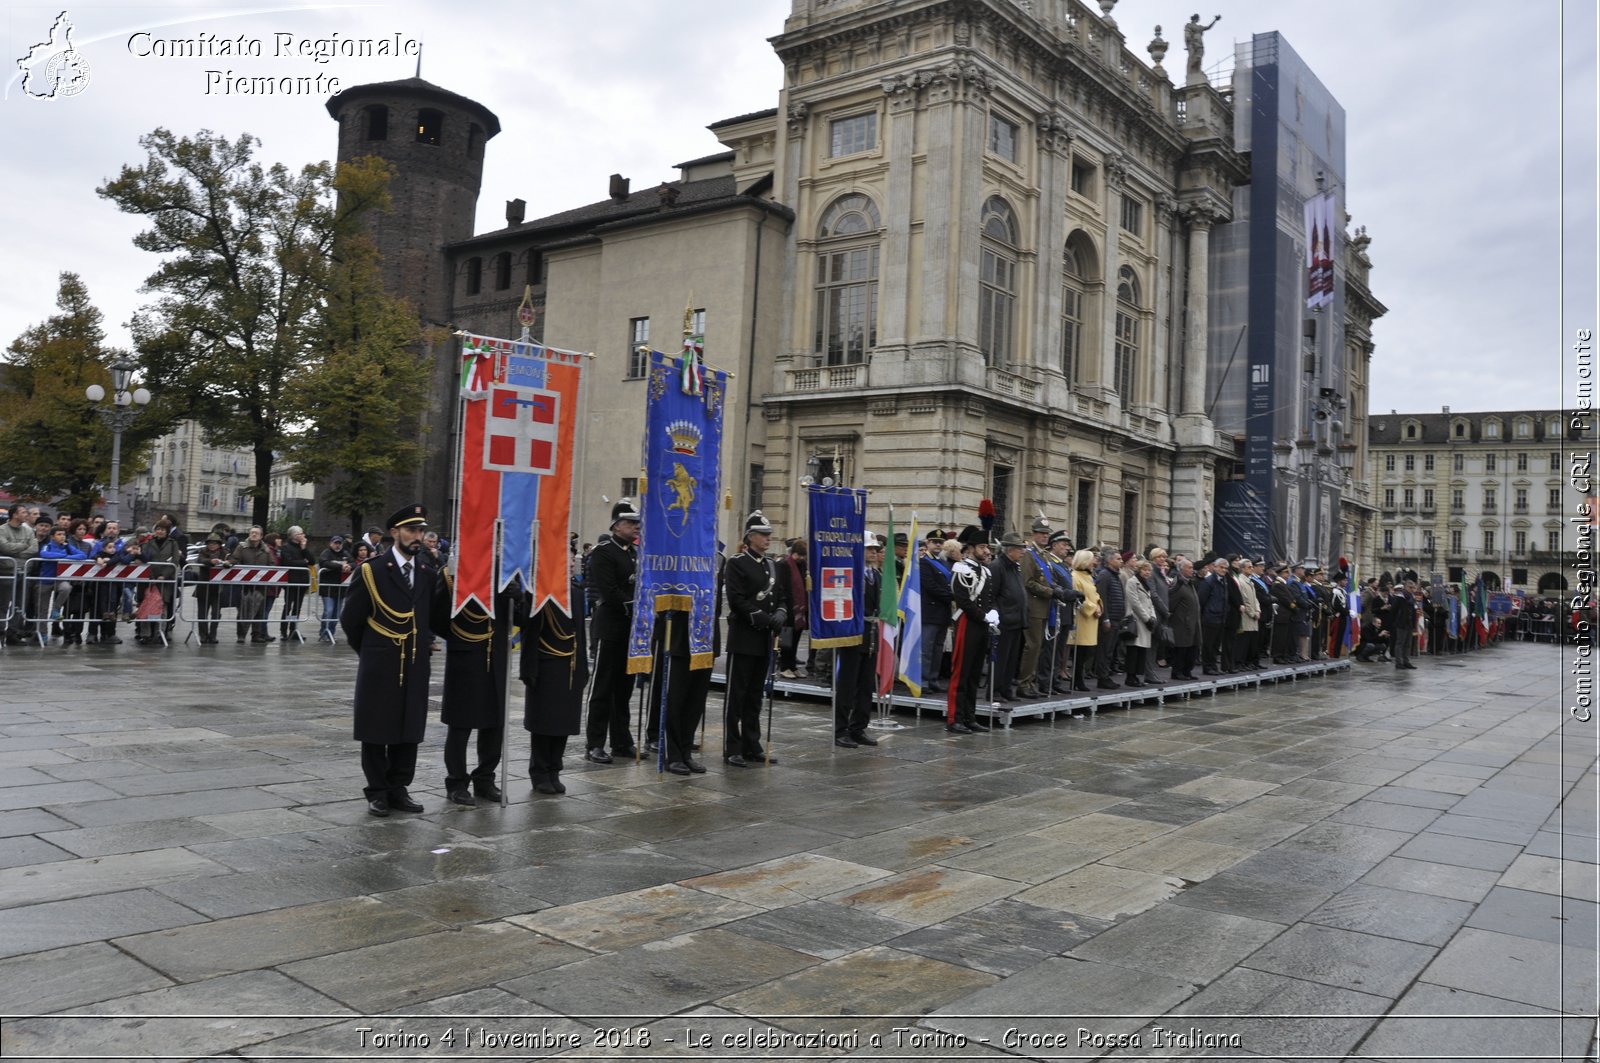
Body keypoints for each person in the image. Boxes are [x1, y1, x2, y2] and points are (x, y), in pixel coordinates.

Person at [340, 503, 439, 817]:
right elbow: (351, 620)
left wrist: (425, 641)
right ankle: (378, 791)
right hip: (381, 663)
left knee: (409, 726)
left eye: (421, 531)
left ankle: (399, 787)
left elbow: (428, 616)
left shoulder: (425, 570)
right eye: (411, 530)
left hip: (414, 662)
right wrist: (373, 649)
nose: (417, 536)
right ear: (394, 533)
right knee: (376, 728)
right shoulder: (372, 570)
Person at [434, 579, 510, 806]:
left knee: (494, 723)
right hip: (465, 656)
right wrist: (460, 637)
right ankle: (456, 782)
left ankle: (485, 779)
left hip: (495, 655)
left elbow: (522, 619)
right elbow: (436, 618)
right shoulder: (452, 573)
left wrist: (518, 598)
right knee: (460, 724)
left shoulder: (503, 574)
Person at [723, 511, 788, 766]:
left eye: (769, 534)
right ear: (750, 537)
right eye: (763, 534)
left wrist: (781, 612)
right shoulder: (737, 562)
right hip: (744, 636)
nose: (768, 538)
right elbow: (737, 600)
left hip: (764, 640)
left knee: (755, 695)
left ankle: (752, 744)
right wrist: (763, 617)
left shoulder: (771, 565)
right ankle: (733, 747)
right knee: (737, 695)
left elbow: (781, 595)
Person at [584, 499, 641, 764]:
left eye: (636, 523)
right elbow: (610, 590)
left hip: (630, 629)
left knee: (624, 689)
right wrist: (636, 605)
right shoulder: (604, 551)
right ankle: (594, 742)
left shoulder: (634, 553)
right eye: (630, 523)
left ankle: (621, 741)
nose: (635, 527)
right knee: (603, 687)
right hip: (610, 625)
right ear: (617, 525)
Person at [520, 580, 589, 795]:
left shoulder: (576, 593)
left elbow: (580, 632)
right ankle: (539, 772)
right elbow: (529, 632)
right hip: (546, 662)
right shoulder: (538, 590)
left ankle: (554, 769)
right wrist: (528, 667)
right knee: (544, 721)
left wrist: (583, 665)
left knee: (564, 722)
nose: (569, 564)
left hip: (570, 663)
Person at [947, 526, 998, 733]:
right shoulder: (961, 569)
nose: (986, 551)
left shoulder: (985, 571)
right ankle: (954, 719)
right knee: (962, 672)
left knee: (975, 673)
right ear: (970, 549)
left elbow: (989, 598)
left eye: (986, 546)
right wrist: (983, 615)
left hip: (982, 625)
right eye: (982, 546)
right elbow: (964, 602)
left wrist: (993, 614)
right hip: (967, 624)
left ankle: (969, 716)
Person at [834, 533, 882, 748]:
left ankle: (859, 727)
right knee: (847, 684)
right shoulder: (851, 574)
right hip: (853, 633)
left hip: (871, 634)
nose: (873, 552)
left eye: (875, 549)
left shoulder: (877, 575)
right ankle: (841, 729)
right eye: (869, 548)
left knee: (866, 685)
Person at [1018, 519, 1059, 699]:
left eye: (1047, 533)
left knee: (1039, 646)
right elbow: (1028, 582)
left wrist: (1058, 590)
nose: (1045, 536)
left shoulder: (1044, 555)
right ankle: (1024, 682)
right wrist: (1050, 591)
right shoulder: (1029, 555)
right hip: (1034, 606)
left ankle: (1031, 681)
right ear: (1033, 533)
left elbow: (1048, 578)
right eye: (1042, 533)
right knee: (1032, 646)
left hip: (1044, 606)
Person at [989, 532, 1029, 700]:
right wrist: (997, 615)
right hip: (1004, 620)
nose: (1022, 552)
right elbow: (992, 595)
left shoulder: (1015, 567)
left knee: (1012, 659)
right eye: (1020, 549)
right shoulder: (997, 566)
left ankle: (1006, 689)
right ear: (1010, 550)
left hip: (1017, 620)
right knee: (1001, 659)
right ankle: (995, 690)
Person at [138, 520, 182, 645]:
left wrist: (165, 575)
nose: (160, 531)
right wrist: (151, 576)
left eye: (163, 529)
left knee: (163, 606)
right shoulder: (148, 542)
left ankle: (159, 633)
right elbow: (144, 558)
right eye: (158, 529)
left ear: (167, 531)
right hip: (150, 579)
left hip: (165, 580)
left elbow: (175, 561)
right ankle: (145, 634)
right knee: (147, 605)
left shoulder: (173, 543)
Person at [920, 531, 953, 694]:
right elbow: (930, 586)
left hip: (943, 612)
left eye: (940, 542)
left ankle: (933, 678)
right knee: (926, 648)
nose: (938, 545)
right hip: (930, 611)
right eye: (934, 542)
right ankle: (923, 680)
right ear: (928, 543)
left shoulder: (944, 563)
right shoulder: (924, 563)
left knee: (938, 648)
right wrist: (951, 596)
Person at [230, 526, 275, 644]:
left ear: (261, 536)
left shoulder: (266, 550)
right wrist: (229, 563)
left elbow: (272, 564)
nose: (253, 535)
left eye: (256, 533)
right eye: (252, 533)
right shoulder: (242, 547)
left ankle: (256, 635)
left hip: (261, 585)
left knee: (259, 611)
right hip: (245, 586)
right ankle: (241, 635)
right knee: (243, 610)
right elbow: (235, 559)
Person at [1066, 549, 1103, 692]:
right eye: (1092, 559)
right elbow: (1079, 598)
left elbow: (1094, 593)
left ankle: (1078, 679)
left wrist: (1099, 604)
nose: (1094, 563)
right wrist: (1093, 608)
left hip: (1091, 619)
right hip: (1082, 619)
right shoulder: (1075, 576)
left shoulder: (1087, 576)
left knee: (1086, 651)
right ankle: (1077, 680)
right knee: (1080, 653)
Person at [0, 505, 37, 645]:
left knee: (19, 605)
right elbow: (4, 547)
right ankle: (1, 631)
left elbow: (34, 548)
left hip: (24, 572)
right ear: (15, 515)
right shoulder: (2, 530)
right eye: (23, 512)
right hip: (7, 572)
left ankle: (13, 632)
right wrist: (23, 545)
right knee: (3, 604)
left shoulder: (28, 530)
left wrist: (15, 550)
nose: (26, 514)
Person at [1093, 550, 1126, 690]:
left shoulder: (1115, 576)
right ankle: (1102, 677)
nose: (1121, 561)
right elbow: (1102, 598)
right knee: (1104, 649)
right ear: (1110, 560)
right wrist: (1105, 618)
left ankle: (1105, 675)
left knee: (1110, 649)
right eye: (1118, 558)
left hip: (1116, 619)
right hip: (1109, 619)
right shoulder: (1105, 575)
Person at [1122, 558, 1157, 687]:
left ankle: (1137, 676)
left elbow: (1149, 602)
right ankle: (1130, 677)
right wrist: (1147, 618)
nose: (1147, 572)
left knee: (1141, 651)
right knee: (1134, 650)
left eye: (1149, 570)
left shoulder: (1145, 583)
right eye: (1144, 570)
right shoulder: (1132, 582)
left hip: (1146, 621)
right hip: (1137, 620)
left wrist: (1153, 617)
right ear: (1139, 570)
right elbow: (1134, 602)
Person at [777, 538, 808, 679]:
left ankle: (793, 666)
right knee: (786, 640)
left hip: (799, 610)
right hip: (789, 608)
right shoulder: (784, 565)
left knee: (795, 639)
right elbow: (782, 587)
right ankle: (784, 666)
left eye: (802, 556)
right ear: (793, 553)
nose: (800, 558)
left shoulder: (802, 564)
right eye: (798, 555)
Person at [191, 533, 231, 644]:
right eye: (210, 543)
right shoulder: (203, 551)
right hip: (204, 587)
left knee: (216, 613)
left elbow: (232, 560)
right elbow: (200, 560)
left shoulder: (225, 552)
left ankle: (213, 635)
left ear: (219, 544)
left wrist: (229, 563)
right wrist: (210, 562)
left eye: (215, 543)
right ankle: (203, 635)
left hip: (218, 588)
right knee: (202, 613)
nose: (212, 545)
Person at [1167, 557, 1202, 679]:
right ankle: (1177, 672)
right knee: (1181, 649)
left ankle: (1187, 671)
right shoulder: (1178, 583)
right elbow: (1171, 604)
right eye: (1190, 567)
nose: (1192, 570)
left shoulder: (1189, 582)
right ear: (1181, 569)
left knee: (1192, 648)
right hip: (1182, 623)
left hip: (1193, 622)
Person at [277, 526, 313, 641]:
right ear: (294, 536)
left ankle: (293, 629)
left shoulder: (302, 547)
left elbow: (312, 561)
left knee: (297, 607)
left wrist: (304, 549)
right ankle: (283, 630)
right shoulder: (286, 548)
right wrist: (303, 562)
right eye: (301, 533)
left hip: (302, 582)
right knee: (288, 606)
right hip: (291, 581)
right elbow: (289, 562)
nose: (303, 536)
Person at [317, 535, 353, 642]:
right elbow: (324, 563)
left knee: (336, 614)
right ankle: (324, 631)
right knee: (328, 611)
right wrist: (341, 566)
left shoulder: (345, 554)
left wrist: (349, 566)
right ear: (331, 543)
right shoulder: (326, 553)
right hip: (327, 588)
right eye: (335, 543)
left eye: (339, 543)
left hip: (340, 589)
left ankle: (331, 633)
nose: (337, 545)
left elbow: (353, 563)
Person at [1390, 578, 1419, 670]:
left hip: (1409, 623)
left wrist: (1414, 624)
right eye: (1411, 588)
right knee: (1400, 643)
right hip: (1401, 623)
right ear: (1406, 587)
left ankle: (1406, 661)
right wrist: (1394, 622)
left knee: (1408, 644)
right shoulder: (1400, 597)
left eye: (1414, 588)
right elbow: (1393, 610)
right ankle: (1399, 662)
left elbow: (1414, 611)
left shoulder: (1411, 597)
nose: (1413, 590)